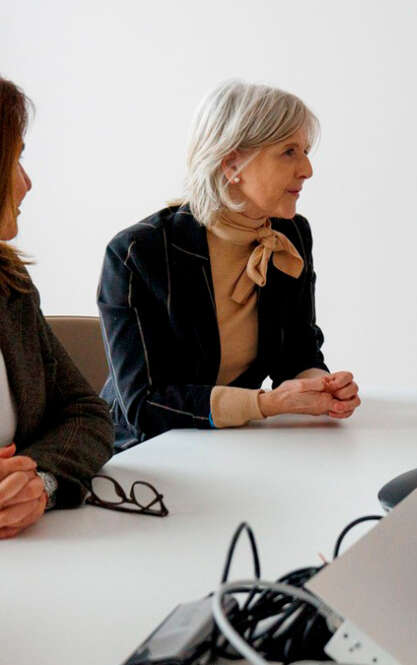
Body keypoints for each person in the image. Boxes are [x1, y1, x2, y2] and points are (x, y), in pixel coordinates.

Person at [99, 81, 359, 451]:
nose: (307, 169)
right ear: (232, 163)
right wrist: (266, 405)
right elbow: (144, 404)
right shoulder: (138, 252)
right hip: (142, 454)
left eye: (305, 151)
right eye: (289, 152)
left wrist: (321, 386)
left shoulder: (291, 234)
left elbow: (297, 352)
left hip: (231, 446)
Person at [0, 76, 112, 536]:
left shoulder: (10, 283)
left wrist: (39, 482)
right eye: (16, 159)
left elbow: (87, 413)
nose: (27, 182)